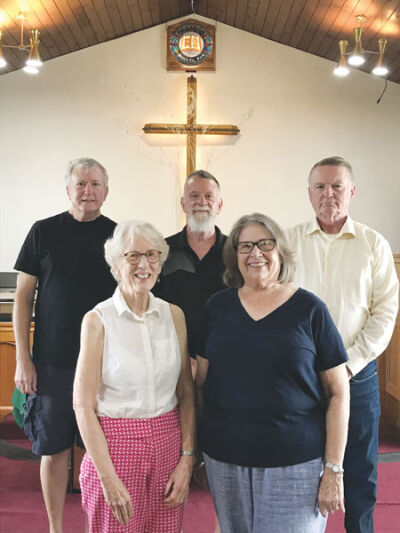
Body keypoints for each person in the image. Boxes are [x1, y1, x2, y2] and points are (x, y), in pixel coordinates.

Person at [196, 213, 350, 533]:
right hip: (226, 461)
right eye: (245, 246)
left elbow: (338, 392)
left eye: (265, 244)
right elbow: (200, 383)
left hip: (296, 463)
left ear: (280, 251)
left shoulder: (310, 310)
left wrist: (334, 470)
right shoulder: (217, 307)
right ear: (234, 255)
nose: (255, 253)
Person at [287, 156, 399, 533]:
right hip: (301, 378)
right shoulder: (288, 243)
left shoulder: (374, 244)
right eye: (320, 186)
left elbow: (384, 314)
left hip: (357, 375)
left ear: (352, 192)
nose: (328, 194)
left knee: (360, 471)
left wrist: (349, 364)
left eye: (337, 186)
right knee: (300, 466)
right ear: (308, 194)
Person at [13, 158, 116, 533]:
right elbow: (22, 298)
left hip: (104, 365)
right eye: (80, 183)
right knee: (53, 450)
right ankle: (56, 527)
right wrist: (23, 359)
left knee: (99, 453)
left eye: (95, 184)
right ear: (68, 189)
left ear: (107, 190)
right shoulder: (43, 232)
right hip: (53, 363)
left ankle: (95, 526)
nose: (87, 191)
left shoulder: (118, 237)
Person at [73, 220, 195, 533]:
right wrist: (107, 479)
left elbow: (186, 391)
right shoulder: (98, 320)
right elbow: (83, 406)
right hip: (115, 448)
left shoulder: (174, 315)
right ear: (115, 265)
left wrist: (187, 459)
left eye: (152, 255)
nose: (144, 265)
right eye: (132, 256)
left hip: (169, 445)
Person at [153, 169, 226, 377]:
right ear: (183, 203)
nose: (201, 201)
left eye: (209, 196)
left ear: (219, 205)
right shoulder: (161, 251)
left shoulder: (236, 252)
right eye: (194, 195)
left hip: (224, 363)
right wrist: (184, 361)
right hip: (171, 364)